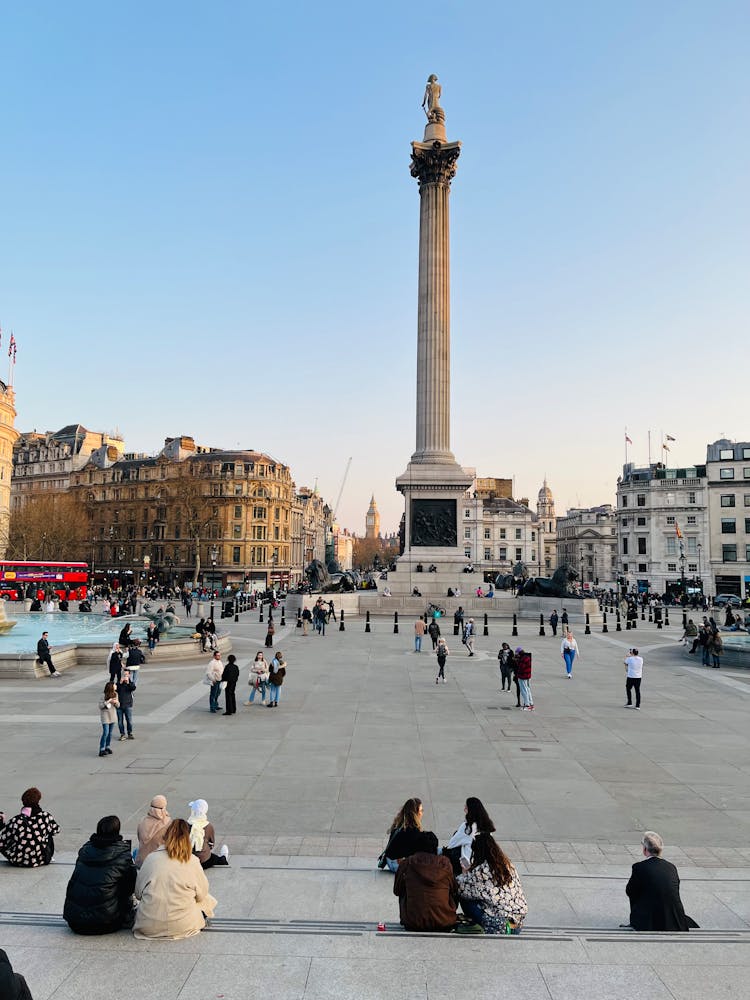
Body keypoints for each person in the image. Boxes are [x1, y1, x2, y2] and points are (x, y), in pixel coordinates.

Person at [133, 818, 217, 939]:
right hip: (183, 925)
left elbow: (138, 894)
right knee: (206, 898)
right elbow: (201, 895)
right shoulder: (192, 861)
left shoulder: (151, 858)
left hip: (148, 926)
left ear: (166, 836)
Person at [63, 815, 137, 934]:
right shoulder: (123, 855)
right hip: (106, 923)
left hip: (75, 921)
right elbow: (131, 887)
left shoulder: (85, 851)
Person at [625, 831, 698, 931]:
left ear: (645, 850)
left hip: (649, 920)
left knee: (635, 890)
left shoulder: (639, 867)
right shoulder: (671, 867)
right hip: (674, 918)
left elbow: (630, 891)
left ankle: (638, 919)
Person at [456, 833, 527, 934]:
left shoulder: (481, 870)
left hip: (497, 923)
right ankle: (510, 926)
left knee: (465, 897)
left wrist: (464, 874)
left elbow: (460, 888)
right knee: (482, 895)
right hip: (518, 922)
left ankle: (486, 925)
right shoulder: (508, 865)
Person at [393, 831, 458, 932]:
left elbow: (397, 890)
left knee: (405, 888)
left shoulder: (407, 863)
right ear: (435, 848)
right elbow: (454, 889)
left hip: (413, 922)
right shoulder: (445, 863)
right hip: (444, 921)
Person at [0, 787, 59, 867]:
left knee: (12, 834)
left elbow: (2, 840)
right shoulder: (46, 816)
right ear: (38, 800)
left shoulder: (16, 820)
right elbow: (56, 830)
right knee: (49, 833)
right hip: (40, 859)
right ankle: (47, 856)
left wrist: (2, 824)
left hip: (18, 860)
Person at [443, 798, 496, 873]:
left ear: (471, 810)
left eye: (466, 807)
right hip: (484, 865)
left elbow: (452, 844)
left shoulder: (468, 827)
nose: (464, 810)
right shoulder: (487, 827)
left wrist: (456, 834)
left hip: (467, 865)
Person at [381, 798, 425, 873]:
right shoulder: (412, 830)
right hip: (397, 864)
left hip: (390, 861)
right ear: (415, 813)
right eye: (421, 810)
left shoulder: (400, 824)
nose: (422, 813)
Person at [187, 799, 229, 868]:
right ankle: (224, 858)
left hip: (190, 862)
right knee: (216, 859)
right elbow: (211, 844)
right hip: (205, 861)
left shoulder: (185, 825)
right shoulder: (208, 826)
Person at [135, 795, 171, 868]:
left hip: (141, 862)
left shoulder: (142, 821)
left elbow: (139, 838)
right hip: (158, 864)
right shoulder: (168, 823)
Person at [98, 683, 119, 757]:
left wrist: (116, 702)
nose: (116, 686)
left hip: (112, 716)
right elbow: (100, 706)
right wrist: (108, 701)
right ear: (111, 687)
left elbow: (118, 705)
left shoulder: (115, 694)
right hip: (105, 716)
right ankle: (101, 749)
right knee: (105, 732)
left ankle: (107, 747)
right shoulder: (103, 695)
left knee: (110, 733)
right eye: (115, 685)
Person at [116, 668, 136, 740]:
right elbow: (115, 690)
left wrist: (128, 683)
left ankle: (130, 733)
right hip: (119, 705)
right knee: (120, 721)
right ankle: (122, 734)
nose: (125, 676)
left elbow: (133, 688)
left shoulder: (131, 683)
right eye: (124, 675)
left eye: (126, 675)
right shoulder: (118, 683)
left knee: (129, 720)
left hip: (128, 704)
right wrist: (119, 683)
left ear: (129, 675)